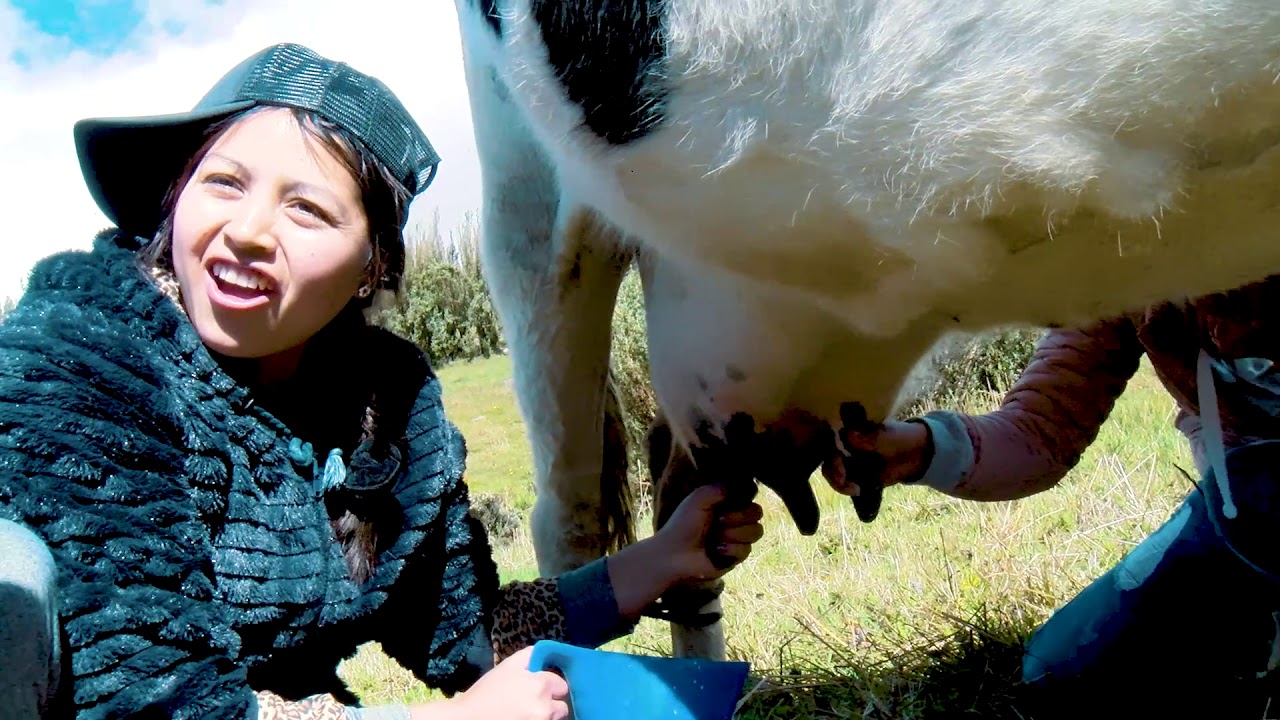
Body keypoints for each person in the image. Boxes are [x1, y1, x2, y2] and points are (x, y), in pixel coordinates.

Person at [0, 43, 764, 720]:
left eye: (307, 209)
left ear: (372, 267)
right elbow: (155, 701)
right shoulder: (78, 362)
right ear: (175, 195)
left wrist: (661, 559)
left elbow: (465, 631)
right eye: (225, 183)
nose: (249, 231)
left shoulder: (386, 405)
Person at [825, 279, 1280, 715]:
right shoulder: (1120, 265)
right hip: (1248, 508)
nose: (1223, 333)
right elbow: (1040, 430)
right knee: (1060, 672)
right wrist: (922, 450)